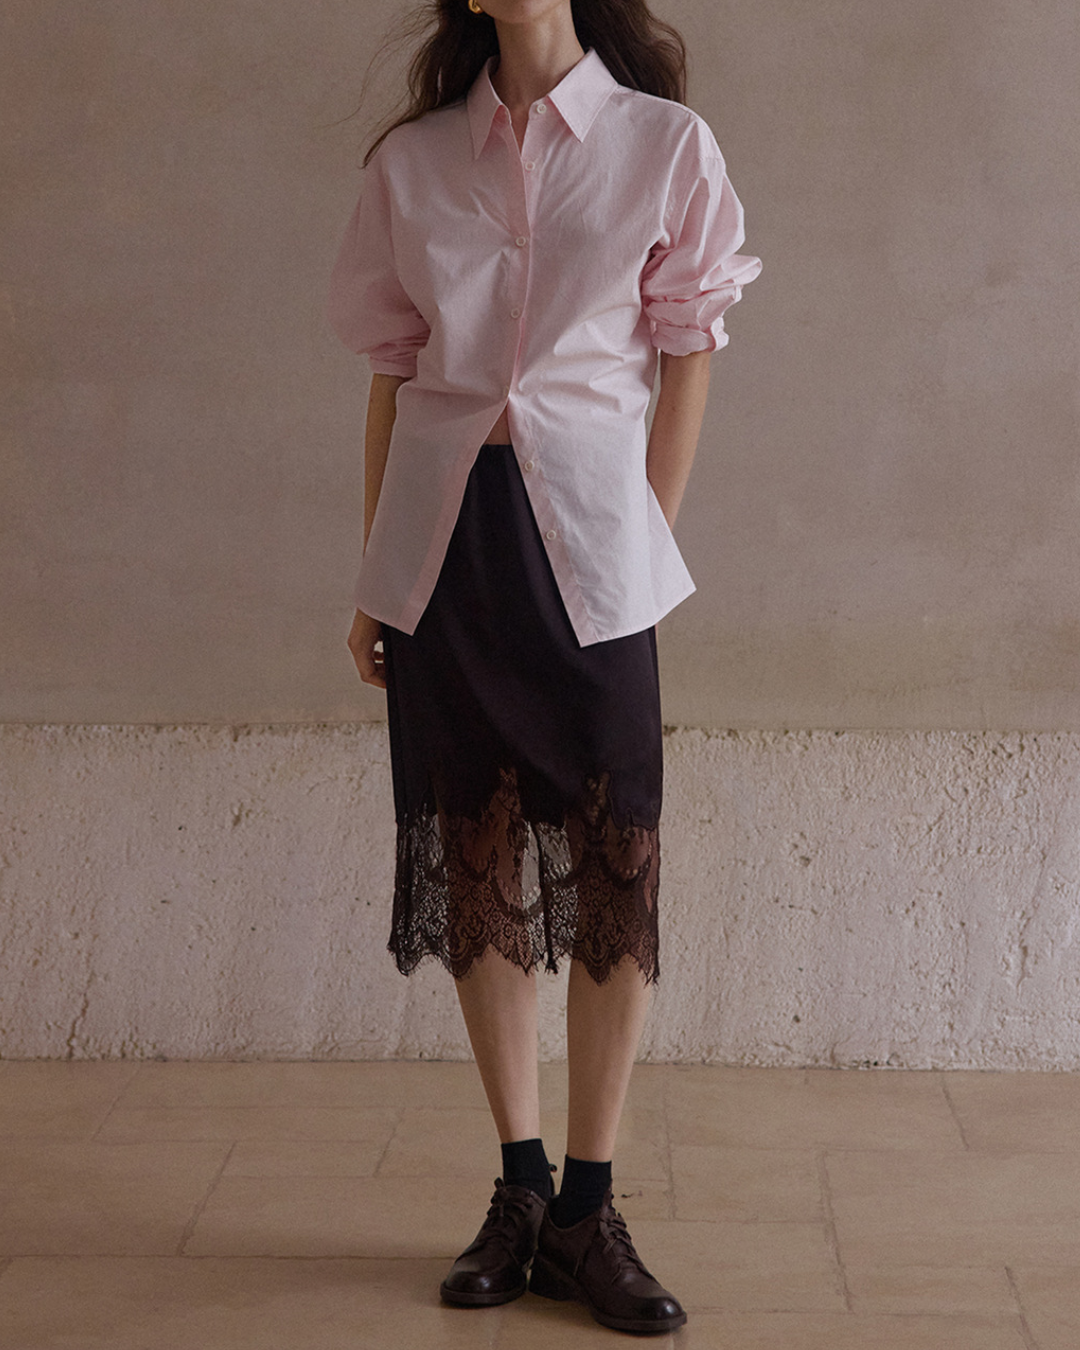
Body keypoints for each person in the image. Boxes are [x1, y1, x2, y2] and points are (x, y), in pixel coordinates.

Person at [328, 0, 760, 1333]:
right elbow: (394, 376)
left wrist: (644, 537)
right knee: (477, 854)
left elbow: (687, 353)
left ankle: (590, 1203)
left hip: (591, 544)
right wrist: (376, 577)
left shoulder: (664, 146)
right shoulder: (411, 165)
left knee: (616, 856)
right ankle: (521, 1187)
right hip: (445, 545)